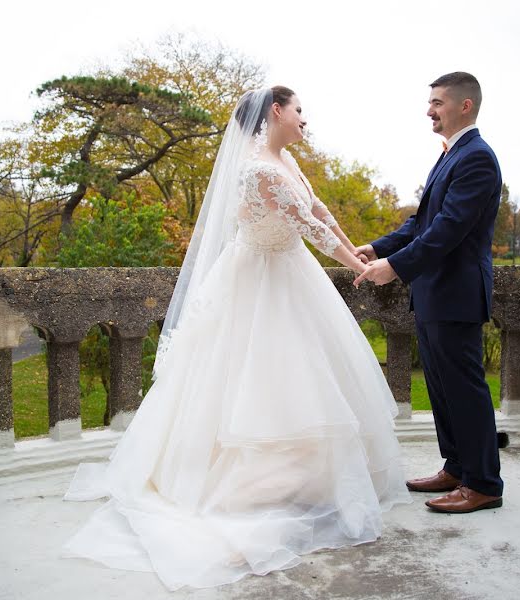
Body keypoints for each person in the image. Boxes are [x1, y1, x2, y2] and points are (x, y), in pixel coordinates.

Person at [62, 86, 410, 590]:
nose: (304, 119)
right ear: (276, 111)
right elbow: (309, 228)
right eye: (299, 110)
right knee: (255, 378)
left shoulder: (285, 159)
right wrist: (362, 269)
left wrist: (360, 252)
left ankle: (308, 478)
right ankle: (254, 487)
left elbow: (322, 213)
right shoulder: (259, 169)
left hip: (293, 278)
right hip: (258, 281)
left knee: (303, 378)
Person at [354, 72, 504, 514]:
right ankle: (456, 467)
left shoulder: (477, 158)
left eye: (437, 102)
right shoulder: (451, 155)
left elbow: (448, 231)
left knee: (465, 390)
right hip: (436, 292)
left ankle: (484, 484)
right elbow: (422, 222)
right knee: (441, 388)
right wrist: (379, 247)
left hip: (456, 293)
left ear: (464, 106)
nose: (429, 110)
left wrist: (394, 267)